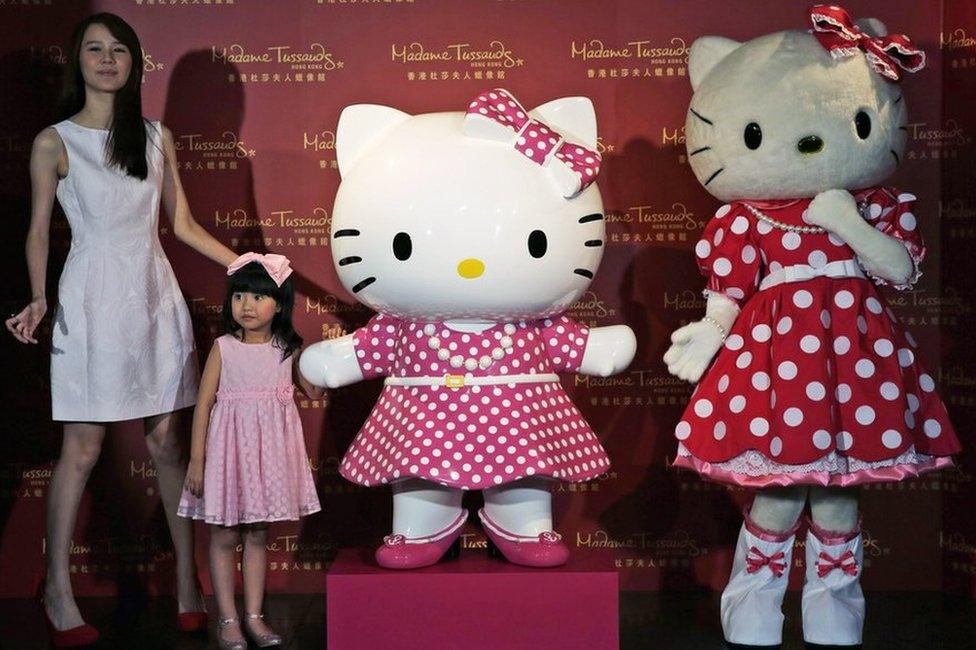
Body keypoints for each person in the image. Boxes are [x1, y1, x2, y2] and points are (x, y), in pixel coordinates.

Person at [5, 12, 238, 647]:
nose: (107, 59)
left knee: (167, 444)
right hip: (89, 300)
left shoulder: (156, 137)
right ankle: (56, 588)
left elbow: (183, 226)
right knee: (81, 449)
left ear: (135, 62)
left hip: (152, 297)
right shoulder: (54, 142)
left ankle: (190, 584)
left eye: (119, 50)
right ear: (75, 60)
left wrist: (248, 267)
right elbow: (36, 230)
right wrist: (35, 298)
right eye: (94, 49)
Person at [178, 253, 322, 649]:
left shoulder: (286, 349)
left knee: (258, 534)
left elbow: (313, 389)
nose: (247, 305)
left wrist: (326, 365)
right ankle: (227, 619)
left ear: (280, 303)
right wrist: (197, 460)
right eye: (239, 296)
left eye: (258, 297)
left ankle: (255, 618)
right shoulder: (224, 347)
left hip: (269, 459)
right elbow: (204, 404)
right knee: (224, 536)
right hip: (227, 456)